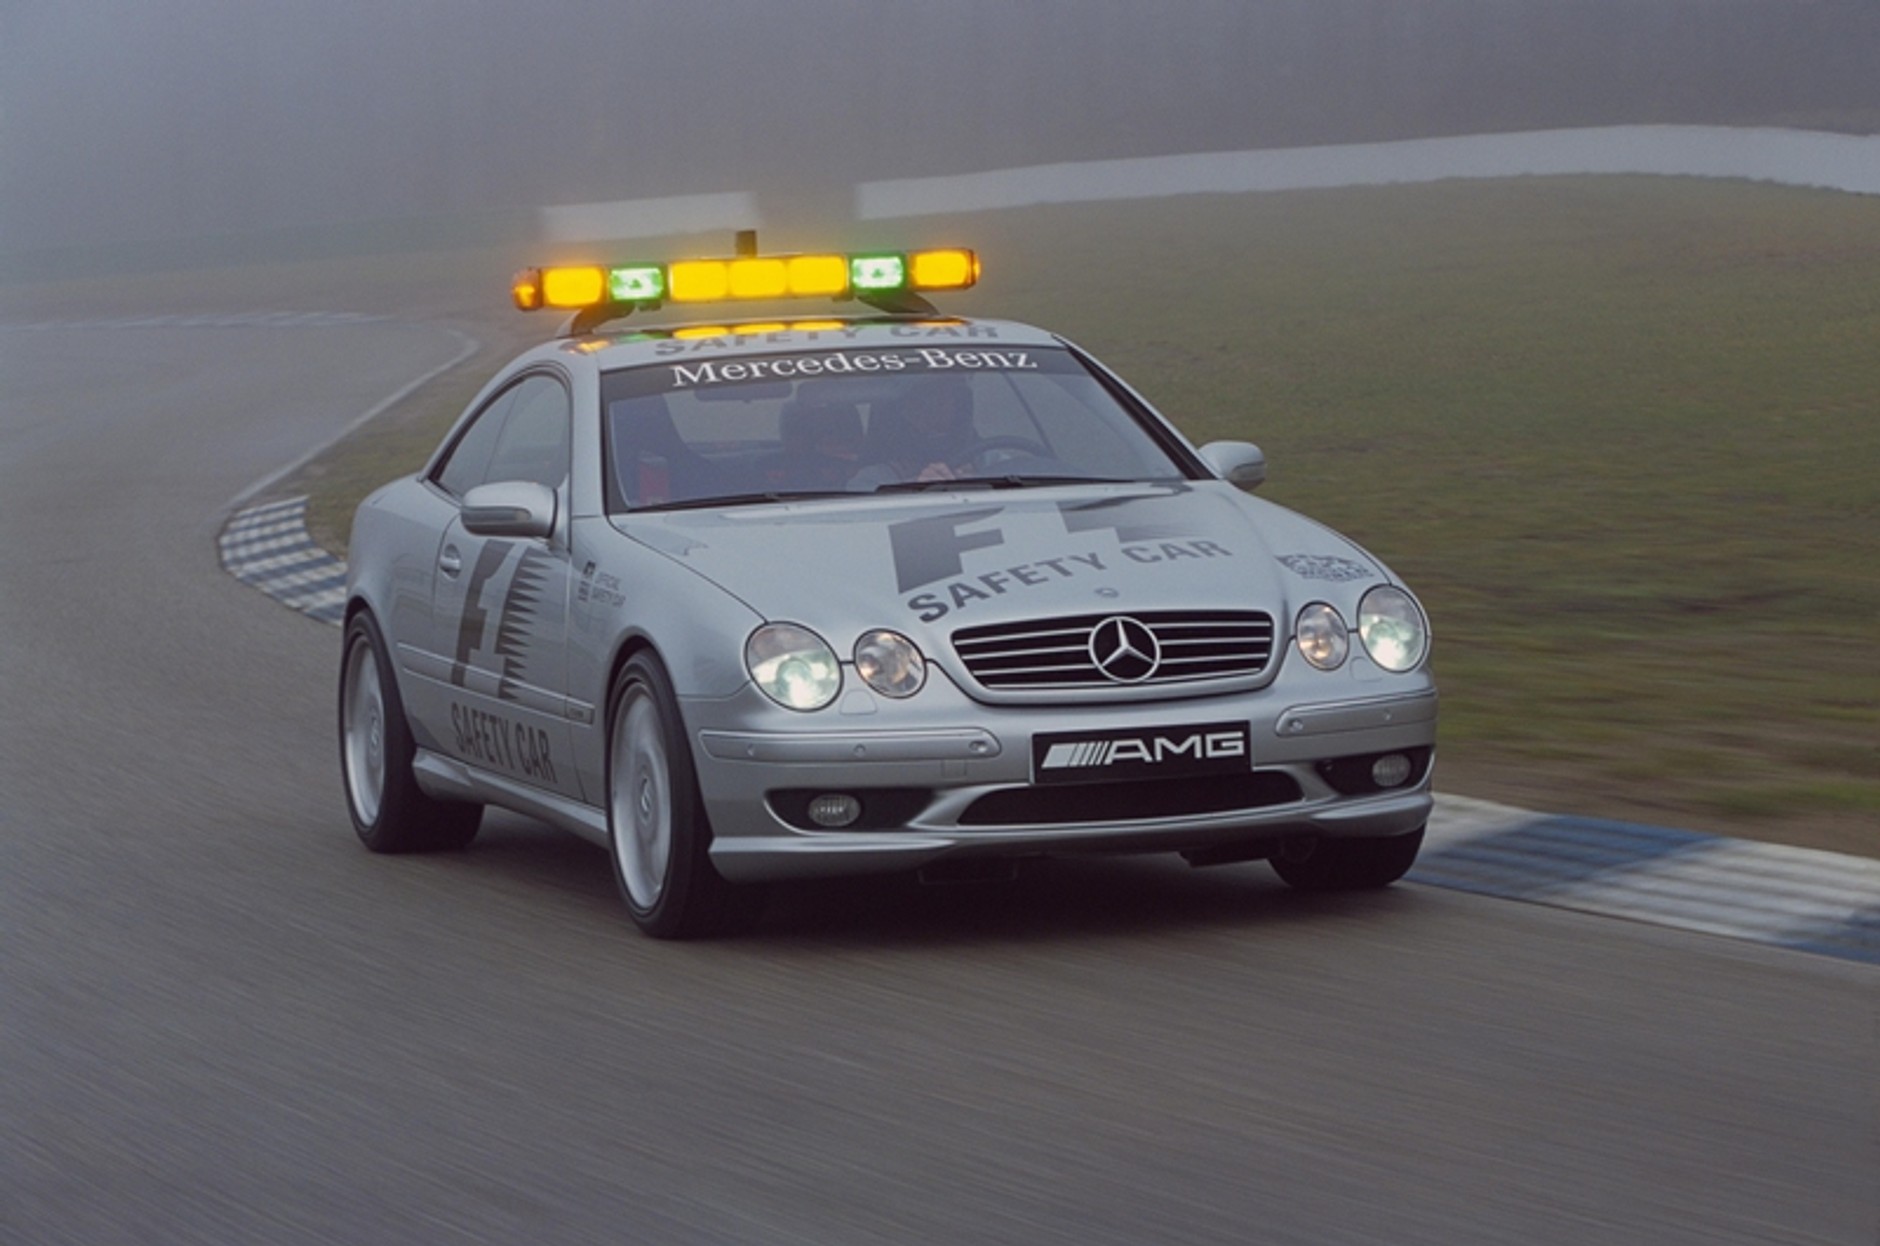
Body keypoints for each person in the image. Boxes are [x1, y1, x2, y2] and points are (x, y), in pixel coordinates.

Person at [848, 378, 979, 489]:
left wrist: (978, 483)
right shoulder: (873, 480)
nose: (938, 407)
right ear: (903, 410)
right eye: (927, 398)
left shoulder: (988, 460)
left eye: (946, 397)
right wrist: (917, 488)